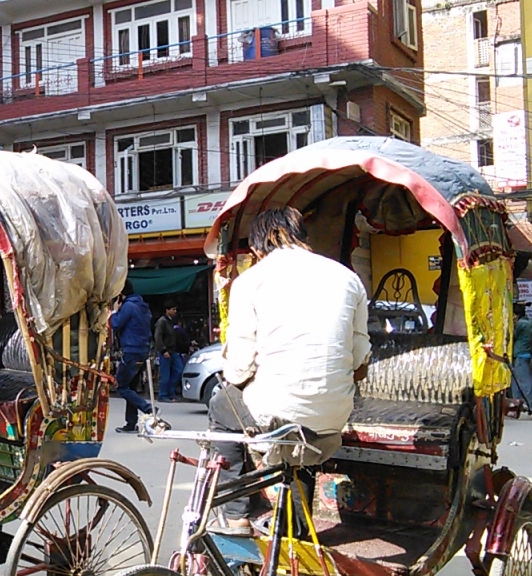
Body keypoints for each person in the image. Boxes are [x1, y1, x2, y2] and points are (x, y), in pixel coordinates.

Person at [209, 207, 370, 533]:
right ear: (301, 237)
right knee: (300, 432)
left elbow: (238, 370)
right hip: (334, 414)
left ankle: (237, 515)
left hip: (280, 412)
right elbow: (360, 362)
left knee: (221, 405)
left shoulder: (250, 281)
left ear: (257, 248)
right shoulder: (348, 278)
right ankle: (295, 525)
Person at [111, 280, 154, 433]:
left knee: (121, 386)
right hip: (142, 350)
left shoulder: (128, 306)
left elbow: (115, 324)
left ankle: (148, 408)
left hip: (131, 350)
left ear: (120, 294)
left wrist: (114, 312)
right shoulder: (142, 306)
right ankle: (131, 423)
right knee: (131, 388)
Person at [153, 304, 189, 401]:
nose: (175, 311)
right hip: (165, 351)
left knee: (179, 370)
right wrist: (163, 350)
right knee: (165, 374)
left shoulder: (171, 321)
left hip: (174, 351)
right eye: (173, 309)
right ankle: (163, 395)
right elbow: (158, 337)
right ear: (167, 310)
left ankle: (171, 392)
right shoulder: (162, 322)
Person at [511, 301, 532, 412]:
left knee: (524, 380)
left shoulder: (521, 324)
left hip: (520, 354)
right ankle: (517, 402)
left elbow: (513, 336)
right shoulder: (529, 322)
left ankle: (529, 404)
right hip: (524, 353)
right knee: (516, 380)